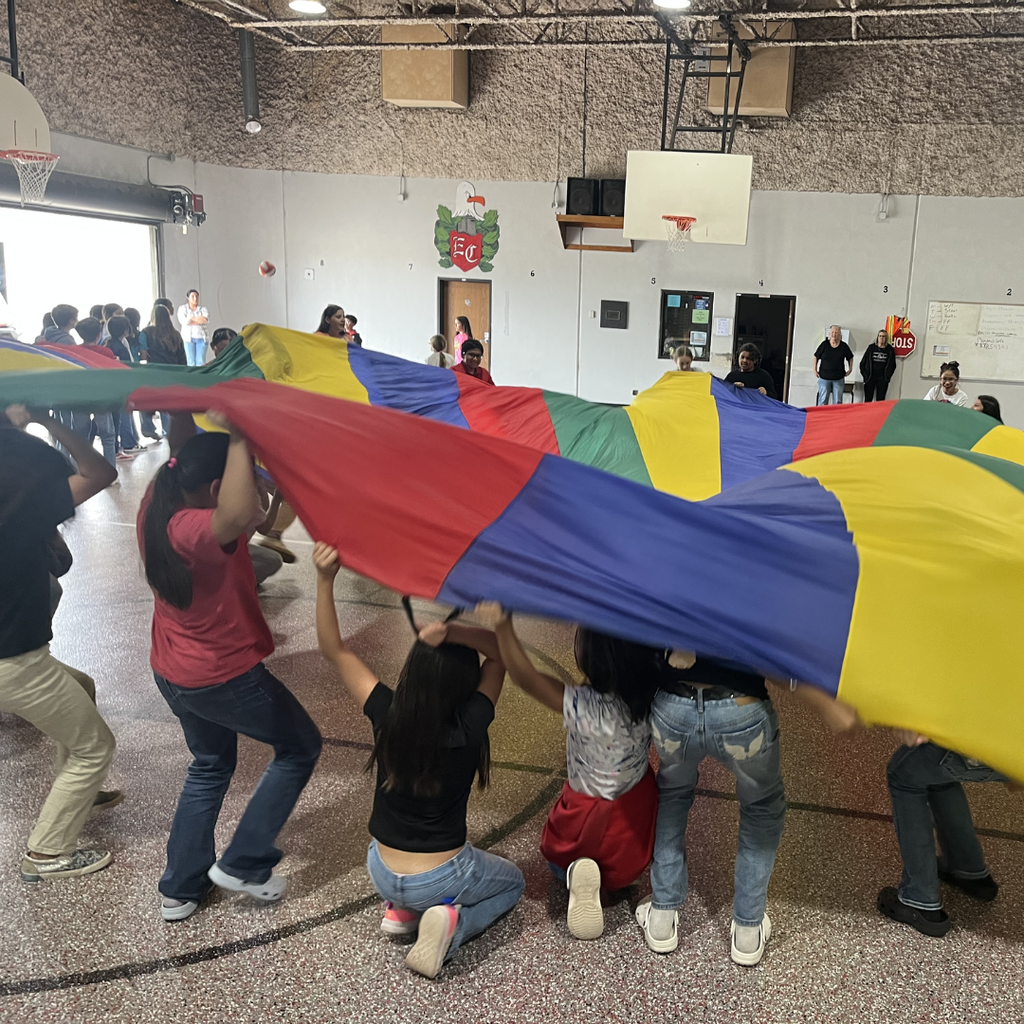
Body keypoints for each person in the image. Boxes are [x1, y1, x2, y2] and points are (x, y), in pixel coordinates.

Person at [138, 423, 322, 922]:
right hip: (219, 677)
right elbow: (244, 513)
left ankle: (181, 886)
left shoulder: (161, 496)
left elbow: (252, 513)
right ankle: (244, 862)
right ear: (219, 489)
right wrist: (242, 431)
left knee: (211, 765)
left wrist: (230, 424)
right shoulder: (195, 530)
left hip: (173, 669)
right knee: (300, 745)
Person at [314, 544, 524, 979]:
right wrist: (454, 633)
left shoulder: (386, 711)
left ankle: (402, 912)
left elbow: (334, 648)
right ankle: (451, 923)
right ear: (464, 684)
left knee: (414, 873)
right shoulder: (471, 722)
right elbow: (502, 653)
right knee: (512, 884)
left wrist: (324, 579)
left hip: (380, 870)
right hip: (440, 876)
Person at [480, 603, 660, 941]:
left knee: (555, 861)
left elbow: (525, 677)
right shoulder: (651, 698)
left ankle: (577, 871)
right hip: (630, 839)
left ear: (588, 654)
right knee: (646, 783)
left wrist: (503, 625)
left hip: (583, 827)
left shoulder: (582, 704)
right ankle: (619, 877)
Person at [0, 403, 119, 882]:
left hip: (17, 657)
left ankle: (79, 794)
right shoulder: (20, 500)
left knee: (82, 686)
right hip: (14, 661)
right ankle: (48, 852)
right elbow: (100, 471)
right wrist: (46, 421)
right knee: (96, 747)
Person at [637, 651, 786, 967]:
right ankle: (748, 928)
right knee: (761, 806)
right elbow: (784, 669)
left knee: (673, 795)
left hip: (672, 707)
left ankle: (663, 915)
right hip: (741, 707)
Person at [878, 734, 1011, 938]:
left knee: (904, 773)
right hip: (1014, 750)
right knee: (935, 771)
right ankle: (968, 871)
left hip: (995, 739)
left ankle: (919, 899)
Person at [70, 317, 119, 466]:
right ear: (99, 334)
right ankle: (111, 469)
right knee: (108, 435)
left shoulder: (73, 352)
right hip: (101, 396)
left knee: (79, 436)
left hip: (79, 397)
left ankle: (79, 469)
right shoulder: (106, 352)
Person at [813, 325, 853, 406]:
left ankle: (836, 418)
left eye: (836, 333)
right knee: (823, 400)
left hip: (838, 378)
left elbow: (850, 357)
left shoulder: (844, 346)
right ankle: (822, 417)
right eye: (832, 332)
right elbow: (816, 356)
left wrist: (850, 369)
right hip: (824, 377)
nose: (834, 334)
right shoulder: (824, 345)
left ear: (840, 334)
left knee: (838, 401)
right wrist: (814, 369)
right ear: (829, 334)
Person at [859, 329, 897, 402]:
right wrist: (865, 376)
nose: (881, 338)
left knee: (880, 400)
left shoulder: (890, 350)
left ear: (886, 338)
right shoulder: (871, 348)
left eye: (883, 336)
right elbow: (862, 363)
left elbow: (893, 365)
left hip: (883, 378)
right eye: (880, 336)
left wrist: (887, 377)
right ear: (877, 337)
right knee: (868, 399)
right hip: (870, 377)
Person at [176, 290, 209, 366]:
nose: (195, 298)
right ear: (188, 298)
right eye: (192, 296)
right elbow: (184, 321)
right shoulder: (182, 309)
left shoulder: (203, 309)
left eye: (196, 296)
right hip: (188, 338)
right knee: (191, 362)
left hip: (201, 337)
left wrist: (191, 319)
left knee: (201, 362)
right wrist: (197, 319)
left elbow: (205, 320)